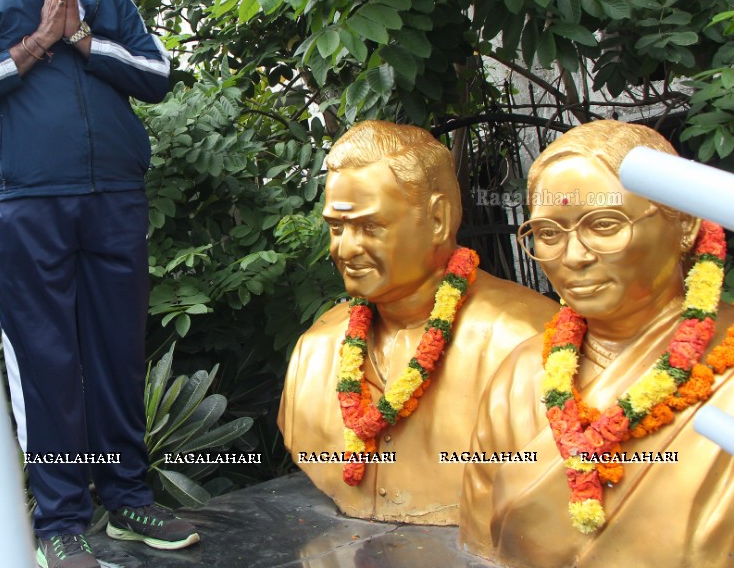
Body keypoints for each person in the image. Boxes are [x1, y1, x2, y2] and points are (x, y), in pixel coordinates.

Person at [0, 0, 196, 568]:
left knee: (116, 348)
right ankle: (59, 519)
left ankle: (130, 499)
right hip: (24, 202)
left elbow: (157, 75)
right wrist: (38, 41)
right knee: (48, 360)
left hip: (113, 195)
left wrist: (80, 37)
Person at [460, 120, 734, 567]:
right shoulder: (520, 374)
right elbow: (478, 525)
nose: (573, 256)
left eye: (604, 225)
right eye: (548, 234)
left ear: (683, 224)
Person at [278, 121, 555, 524]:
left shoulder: (524, 344)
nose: (346, 249)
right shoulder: (315, 350)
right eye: (336, 228)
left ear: (438, 219)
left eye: (370, 227)